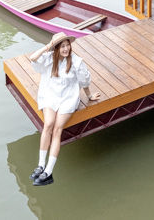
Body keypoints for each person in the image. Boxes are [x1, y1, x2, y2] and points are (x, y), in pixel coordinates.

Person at [27, 32, 101, 186]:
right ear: (56, 48)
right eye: (62, 46)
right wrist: (49, 46)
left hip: (68, 98)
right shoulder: (48, 59)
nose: (66, 49)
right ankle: (40, 165)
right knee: (48, 124)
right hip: (50, 96)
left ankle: (48, 171)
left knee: (57, 129)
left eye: (68, 45)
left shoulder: (76, 61)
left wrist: (88, 96)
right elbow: (33, 58)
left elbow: (84, 80)